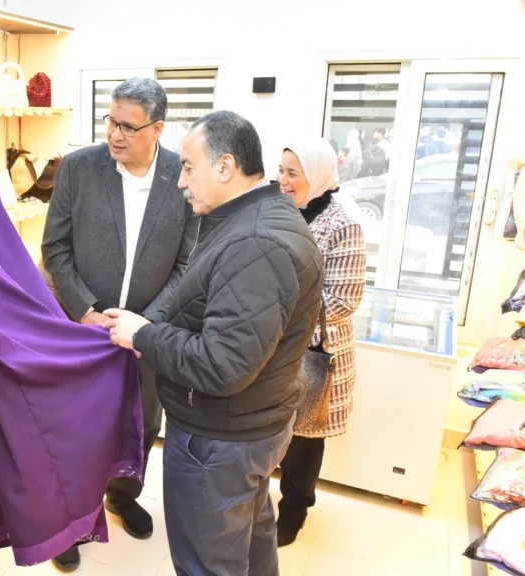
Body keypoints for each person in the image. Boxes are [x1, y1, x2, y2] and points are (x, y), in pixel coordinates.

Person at [103, 111, 323, 576]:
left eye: (188, 167)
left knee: (207, 563)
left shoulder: (255, 241)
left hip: (220, 439)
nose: (181, 181)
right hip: (251, 426)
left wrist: (144, 335)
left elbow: (223, 365)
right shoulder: (256, 217)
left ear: (225, 167)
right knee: (252, 540)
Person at [42, 77, 198, 572]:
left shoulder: (181, 175)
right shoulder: (80, 168)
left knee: (142, 423)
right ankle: (69, 520)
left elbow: (188, 262)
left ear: (157, 129)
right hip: (85, 331)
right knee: (77, 427)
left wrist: (148, 322)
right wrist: (85, 310)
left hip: (148, 332)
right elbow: (55, 248)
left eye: (128, 127)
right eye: (111, 121)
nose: (114, 134)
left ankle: (122, 496)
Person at [275, 138, 367, 547]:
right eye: (281, 170)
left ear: (318, 175)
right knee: (273, 428)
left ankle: (294, 512)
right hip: (274, 344)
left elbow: (343, 300)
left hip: (314, 349)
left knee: (305, 440)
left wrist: (281, 313)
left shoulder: (343, 223)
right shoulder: (282, 211)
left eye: (293, 173)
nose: (283, 180)